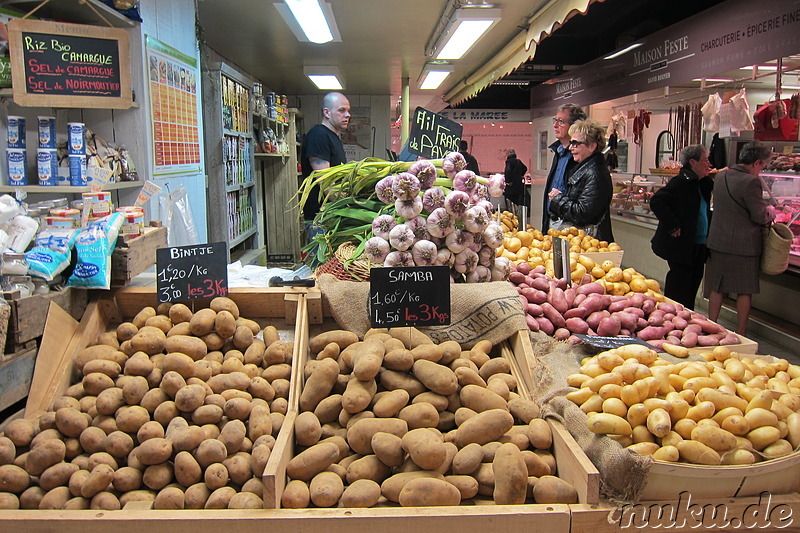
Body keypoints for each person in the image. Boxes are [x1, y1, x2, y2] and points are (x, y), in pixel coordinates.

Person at [704, 141, 775, 335]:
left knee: (717, 286)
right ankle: (741, 333)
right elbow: (759, 215)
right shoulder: (750, 182)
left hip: (718, 240)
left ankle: (712, 327)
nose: (762, 170)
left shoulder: (721, 175)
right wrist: (771, 213)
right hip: (743, 245)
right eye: (763, 166)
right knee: (744, 289)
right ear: (757, 163)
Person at [650, 144, 713, 310]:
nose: (709, 164)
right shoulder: (681, 182)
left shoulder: (703, 183)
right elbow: (657, 201)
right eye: (705, 160)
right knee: (679, 285)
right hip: (682, 245)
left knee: (693, 283)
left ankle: (688, 316)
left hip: (699, 243)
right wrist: (673, 225)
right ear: (693, 162)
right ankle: (671, 315)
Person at [547, 119, 614, 242]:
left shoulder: (595, 173)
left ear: (592, 146)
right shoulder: (585, 167)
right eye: (571, 143)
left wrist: (558, 199)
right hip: (581, 240)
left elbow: (584, 213)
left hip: (590, 242)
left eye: (575, 143)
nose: (571, 148)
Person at [300, 92, 351, 220]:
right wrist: (350, 206)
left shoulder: (332, 137)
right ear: (327, 113)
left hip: (331, 215)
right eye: (341, 110)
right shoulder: (319, 135)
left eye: (348, 111)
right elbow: (325, 182)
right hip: (321, 218)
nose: (347, 115)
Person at [542, 103, 587, 232]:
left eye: (561, 121)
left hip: (570, 225)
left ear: (574, 126)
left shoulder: (580, 158)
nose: (555, 125)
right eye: (555, 120)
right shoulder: (558, 151)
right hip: (554, 220)